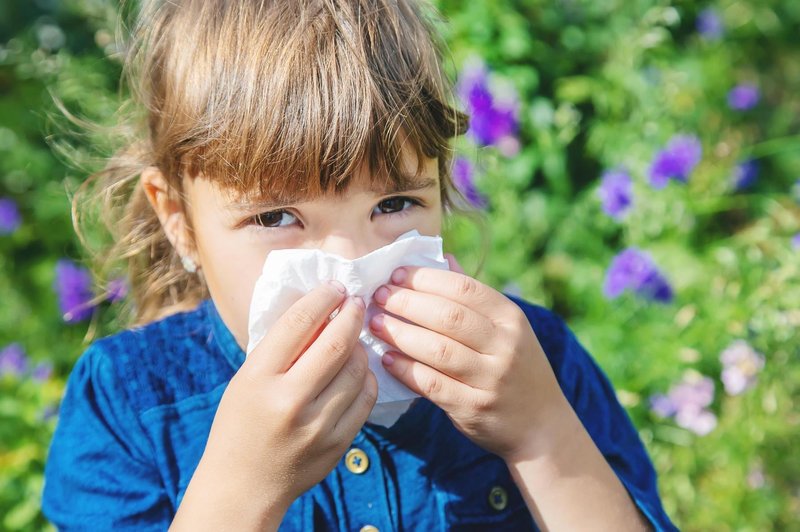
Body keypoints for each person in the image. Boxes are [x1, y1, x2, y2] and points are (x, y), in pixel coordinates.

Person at [41, 0, 677, 530]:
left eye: (395, 203)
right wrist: (241, 487)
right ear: (179, 221)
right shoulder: (125, 406)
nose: (350, 264)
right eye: (274, 218)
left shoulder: (536, 365)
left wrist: (541, 432)